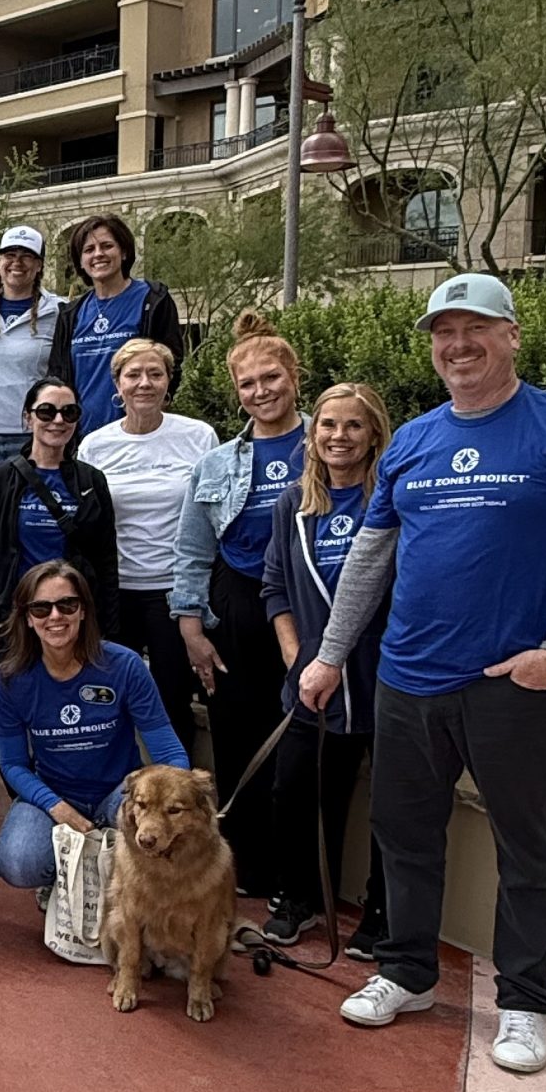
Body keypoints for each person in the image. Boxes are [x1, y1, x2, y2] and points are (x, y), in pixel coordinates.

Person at [301, 275, 546, 1075]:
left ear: (511, 335)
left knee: (528, 846)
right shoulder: (411, 440)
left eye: (475, 328)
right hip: (408, 678)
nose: (458, 345)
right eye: (444, 332)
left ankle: (523, 1000)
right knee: (404, 837)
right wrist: (332, 655)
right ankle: (405, 972)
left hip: (512, 685)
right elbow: (372, 560)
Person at [170, 311, 308, 898]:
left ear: (294, 376)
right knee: (237, 737)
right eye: (248, 384)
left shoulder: (326, 444)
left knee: (300, 742)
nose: (261, 392)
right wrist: (190, 625)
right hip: (238, 607)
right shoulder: (218, 463)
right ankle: (246, 869)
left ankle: (296, 878)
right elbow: (192, 550)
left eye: (271, 378)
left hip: (309, 605)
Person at [261, 383, 393, 952]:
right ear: (312, 435)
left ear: (374, 435)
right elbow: (274, 588)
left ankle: (382, 913)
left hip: (382, 677)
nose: (339, 436)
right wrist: (297, 658)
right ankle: (300, 897)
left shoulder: (389, 500)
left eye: (353, 426)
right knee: (295, 791)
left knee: (393, 803)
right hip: (313, 682)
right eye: (328, 425)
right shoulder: (293, 504)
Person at [0, 563, 189, 893]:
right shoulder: (12, 678)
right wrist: (56, 806)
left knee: (161, 837)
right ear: (27, 617)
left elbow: (166, 747)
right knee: (20, 864)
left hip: (119, 792)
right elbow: (12, 763)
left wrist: (177, 795)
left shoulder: (124, 665)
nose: (55, 616)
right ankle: (56, 882)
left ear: (83, 611)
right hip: (53, 791)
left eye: (67, 605)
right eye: (41, 608)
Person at [78, 338, 217, 753]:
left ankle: (177, 798)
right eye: (133, 375)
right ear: (117, 385)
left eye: (155, 374)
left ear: (168, 382)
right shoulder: (94, 445)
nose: (144, 383)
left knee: (171, 701)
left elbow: (209, 517)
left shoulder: (199, 437)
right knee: (107, 701)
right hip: (115, 593)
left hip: (173, 592)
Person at [0, 375, 119, 643]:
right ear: (28, 418)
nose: (58, 420)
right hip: (18, 620)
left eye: (69, 412)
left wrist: (107, 627)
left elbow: (106, 560)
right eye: (46, 411)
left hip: (74, 619)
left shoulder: (91, 481)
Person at [48, 213, 184, 435]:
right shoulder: (71, 314)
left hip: (139, 433)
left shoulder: (153, 300)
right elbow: (57, 376)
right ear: (80, 262)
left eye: (107, 246)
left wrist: (150, 413)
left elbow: (172, 364)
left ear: (124, 251)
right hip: (81, 437)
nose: (98, 254)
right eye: (89, 249)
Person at [0, 224, 63, 473]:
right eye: (10, 255)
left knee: (29, 507)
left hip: (33, 434)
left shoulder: (58, 310)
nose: (17, 263)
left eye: (26, 256)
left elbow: (62, 368)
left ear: (39, 265)